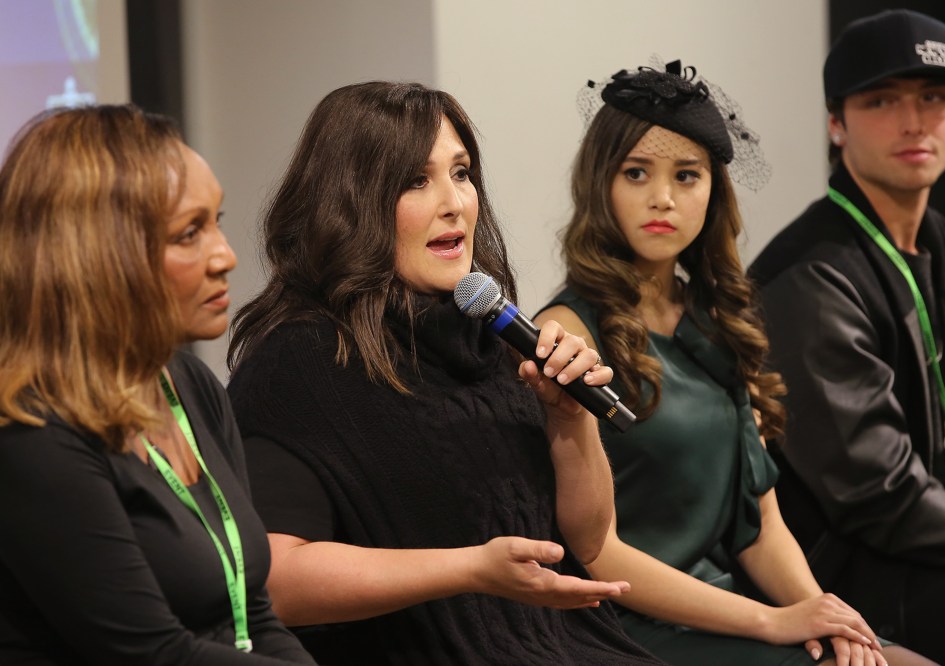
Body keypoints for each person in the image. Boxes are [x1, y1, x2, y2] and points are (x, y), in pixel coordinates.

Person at [225, 81, 664, 665]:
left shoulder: (492, 337)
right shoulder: (298, 363)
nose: (454, 202)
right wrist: (469, 569)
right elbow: (276, 582)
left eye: (461, 173)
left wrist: (569, 422)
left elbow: (585, 542)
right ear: (350, 204)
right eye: (415, 181)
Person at [537, 60, 932, 666]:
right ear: (600, 184)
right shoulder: (566, 333)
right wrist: (772, 621)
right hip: (624, 626)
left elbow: (761, 526)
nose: (663, 198)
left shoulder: (717, 322)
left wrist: (826, 615)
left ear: (713, 192)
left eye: (687, 176)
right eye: (636, 173)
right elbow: (598, 553)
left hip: (732, 609)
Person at [0, 105, 315, 665]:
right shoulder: (32, 432)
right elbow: (152, 654)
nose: (225, 256)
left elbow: (253, 615)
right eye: (189, 233)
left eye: (216, 221)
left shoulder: (189, 384)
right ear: (96, 255)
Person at [749, 9, 945, 663]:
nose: (914, 122)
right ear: (836, 123)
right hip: (855, 575)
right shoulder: (808, 273)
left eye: (935, 97)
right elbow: (877, 497)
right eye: (882, 100)